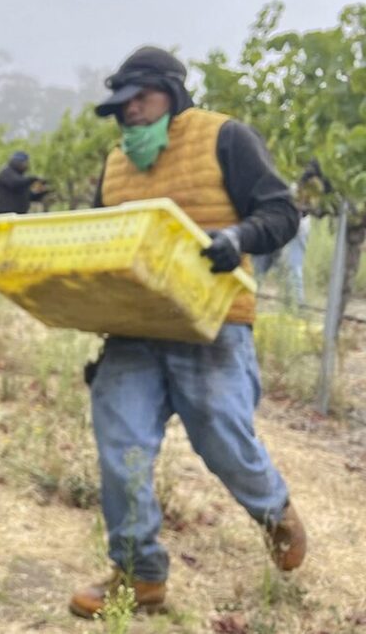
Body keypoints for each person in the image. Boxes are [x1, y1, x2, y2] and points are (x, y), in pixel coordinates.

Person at [73, 46, 305, 618]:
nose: (129, 115)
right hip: (135, 329)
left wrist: (238, 238)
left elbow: (282, 213)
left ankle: (274, 510)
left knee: (222, 436)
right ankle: (139, 575)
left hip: (212, 322)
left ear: (172, 94)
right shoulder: (115, 165)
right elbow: (103, 248)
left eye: (139, 101)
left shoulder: (226, 137)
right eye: (120, 107)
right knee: (120, 445)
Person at [252, 160, 331, 308]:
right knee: (282, 266)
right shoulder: (312, 182)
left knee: (273, 266)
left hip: (287, 221)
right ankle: (295, 308)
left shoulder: (305, 183)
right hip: (282, 221)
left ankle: (295, 308)